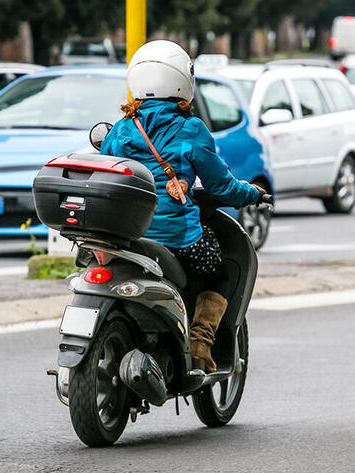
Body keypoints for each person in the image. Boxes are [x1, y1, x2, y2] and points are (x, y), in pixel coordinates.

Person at [100, 40, 264, 373]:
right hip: (178, 238)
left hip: (127, 237)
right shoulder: (190, 129)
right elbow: (221, 186)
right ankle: (201, 343)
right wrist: (252, 194)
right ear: (181, 81)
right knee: (220, 273)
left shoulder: (120, 130)